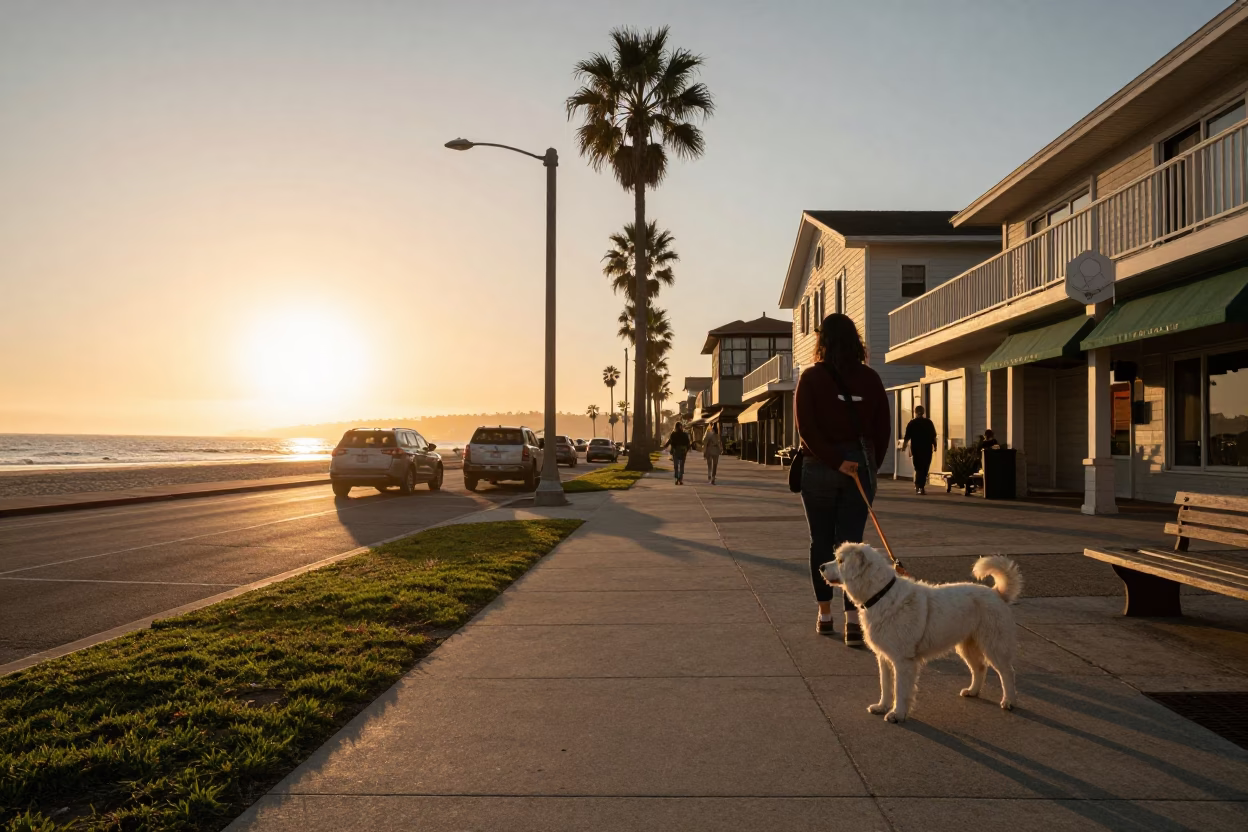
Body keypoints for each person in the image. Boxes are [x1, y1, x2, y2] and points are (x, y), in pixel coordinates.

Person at [796, 313, 890, 647]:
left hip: (818, 466)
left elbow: (806, 430)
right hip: (859, 467)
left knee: (820, 542)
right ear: (855, 341)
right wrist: (867, 467)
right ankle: (853, 622)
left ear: (822, 341)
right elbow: (882, 430)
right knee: (852, 544)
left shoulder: (810, 378)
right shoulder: (871, 379)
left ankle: (825, 615)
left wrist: (835, 461)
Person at [902, 405, 938, 495]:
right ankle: (920, 486)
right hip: (927, 449)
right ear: (923, 412)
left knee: (918, 467)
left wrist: (904, 446)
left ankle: (919, 486)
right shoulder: (928, 422)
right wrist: (935, 445)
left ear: (915, 412)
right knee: (925, 467)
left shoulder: (912, 423)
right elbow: (933, 436)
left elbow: (907, 436)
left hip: (916, 448)